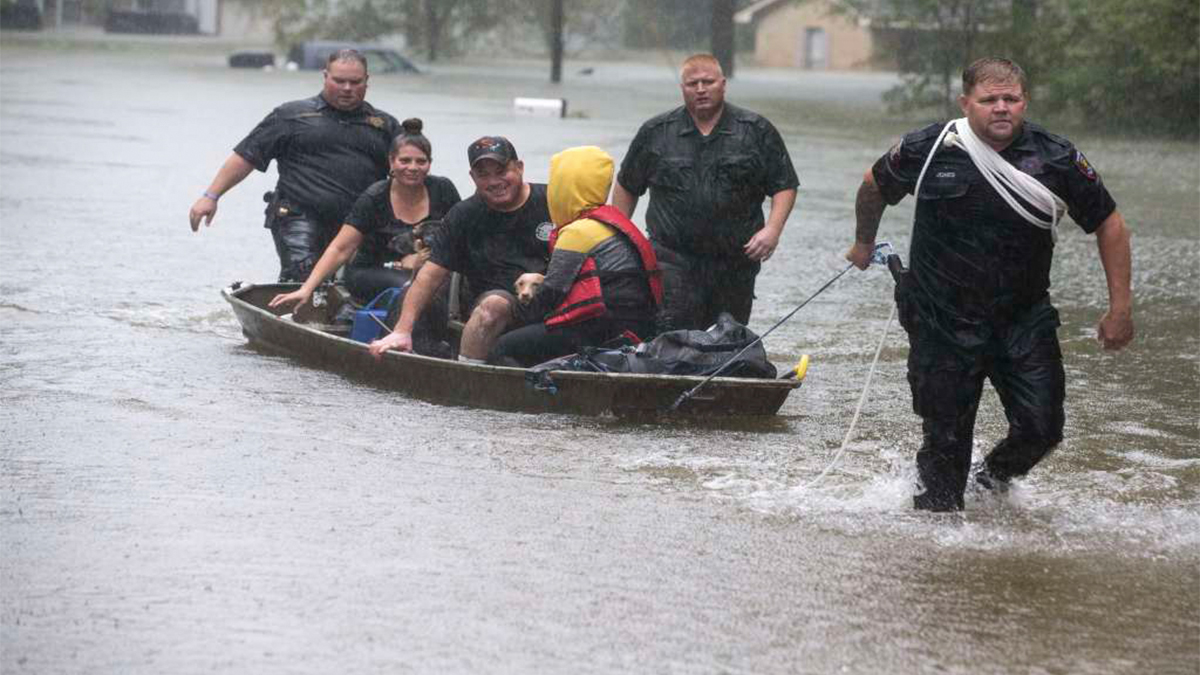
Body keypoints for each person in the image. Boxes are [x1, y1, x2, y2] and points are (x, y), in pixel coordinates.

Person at [845, 57, 1134, 512]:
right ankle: (938, 553)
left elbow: (1109, 223)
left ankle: (990, 481)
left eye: (1011, 99)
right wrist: (863, 243)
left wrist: (1120, 307)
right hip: (941, 321)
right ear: (966, 103)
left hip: (1023, 320)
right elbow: (873, 186)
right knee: (945, 447)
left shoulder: (1056, 157)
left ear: (1024, 102)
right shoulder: (930, 146)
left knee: (1042, 428)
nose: (1001, 108)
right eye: (989, 100)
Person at [612, 53, 798, 333]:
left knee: (727, 338)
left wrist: (772, 230)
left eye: (708, 82)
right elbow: (627, 185)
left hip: (735, 261)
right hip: (671, 257)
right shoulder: (656, 132)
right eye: (692, 83)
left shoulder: (756, 130)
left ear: (723, 84)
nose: (700, 89)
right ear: (682, 88)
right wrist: (622, 238)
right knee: (674, 335)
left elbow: (784, 185)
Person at [188, 49, 401, 282]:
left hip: (359, 222)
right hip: (299, 215)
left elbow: (408, 175)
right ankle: (293, 304)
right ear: (325, 76)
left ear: (367, 81)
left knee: (360, 282)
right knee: (305, 276)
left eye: (355, 82)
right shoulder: (291, 116)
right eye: (339, 81)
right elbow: (246, 156)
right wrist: (211, 196)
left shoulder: (384, 126)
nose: (347, 88)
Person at [267, 119, 461, 354]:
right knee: (415, 288)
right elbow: (341, 248)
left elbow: (463, 237)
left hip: (429, 271)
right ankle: (399, 345)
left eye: (421, 161)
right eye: (405, 161)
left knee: (443, 287)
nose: (413, 167)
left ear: (429, 164)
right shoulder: (375, 197)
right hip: (372, 271)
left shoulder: (443, 190)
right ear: (391, 162)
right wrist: (307, 288)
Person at [368, 136, 552, 364]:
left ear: (519, 167)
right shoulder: (463, 215)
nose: (494, 181)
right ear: (472, 178)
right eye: (483, 174)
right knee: (491, 306)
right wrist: (402, 330)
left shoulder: (553, 200)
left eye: (502, 171)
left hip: (550, 302)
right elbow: (430, 275)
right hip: (492, 305)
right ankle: (467, 375)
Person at [490, 146, 660, 368]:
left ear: (564, 186)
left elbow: (551, 294)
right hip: (635, 325)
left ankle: (529, 399)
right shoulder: (611, 221)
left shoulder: (578, 232)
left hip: (603, 330)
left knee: (503, 347)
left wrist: (511, 312)